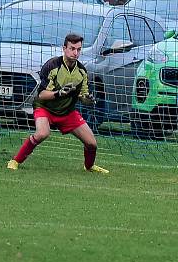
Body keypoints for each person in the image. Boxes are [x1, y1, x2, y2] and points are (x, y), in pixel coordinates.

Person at [7, 33, 108, 174]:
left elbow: (83, 97)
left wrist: (88, 99)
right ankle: (15, 160)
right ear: (64, 48)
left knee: (92, 143)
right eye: (72, 48)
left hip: (67, 112)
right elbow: (41, 94)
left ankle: (89, 166)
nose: (75, 53)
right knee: (42, 133)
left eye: (78, 49)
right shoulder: (52, 65)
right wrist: (59, 93)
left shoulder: (82, 72)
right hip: (45, 108)